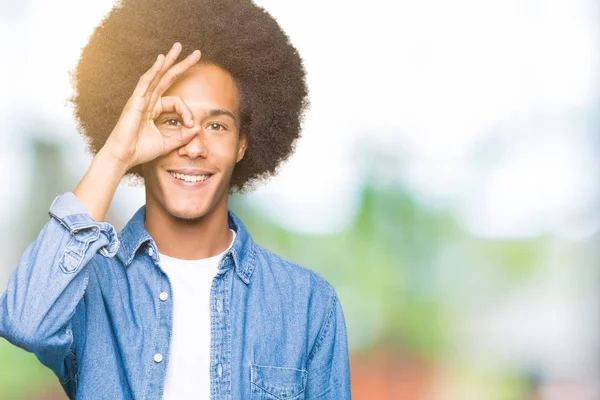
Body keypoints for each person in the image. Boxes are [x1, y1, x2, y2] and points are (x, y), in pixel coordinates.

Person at [0, 0, 351, 398]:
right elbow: (24, 322)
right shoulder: (88, 288)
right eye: (172, 121)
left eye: (216, 125)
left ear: (241, 145)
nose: (193, 146)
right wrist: (116, 154)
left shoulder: (305, 304)